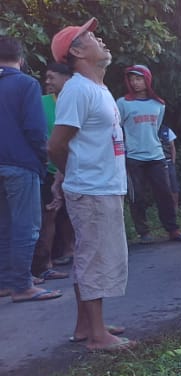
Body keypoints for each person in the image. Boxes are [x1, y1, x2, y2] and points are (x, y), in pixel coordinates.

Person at [47, 17, 135, 351]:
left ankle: (87, 326)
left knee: (92, 254)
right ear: (77, 51)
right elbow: (56, 145)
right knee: (95, 257)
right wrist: (72, 175)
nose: (100, 39)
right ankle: (98, 336)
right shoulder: (78, 90)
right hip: (92, 187)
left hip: (103, 185)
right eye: (92, 36)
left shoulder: (97, 88)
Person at [0, 36, 62, 302]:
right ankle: (23, 286)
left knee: (4, 226)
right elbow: (36, 130)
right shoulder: (25, 83)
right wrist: (41, 160)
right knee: (26, 226)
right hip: (20, 164)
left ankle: (5, 282)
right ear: (21, 59)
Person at [117, 64, 181, 243]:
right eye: (132, 79)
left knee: (165, 194)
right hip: (134, 157)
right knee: (138, 196)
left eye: (139, 78)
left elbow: (156, 128)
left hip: (156, 155)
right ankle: (143, 232)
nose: (135, 83)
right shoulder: (123, 103)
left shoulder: (158, 104)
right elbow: (117, 128)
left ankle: (173, 229)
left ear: (147, 80)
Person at [43, 63, 76, 268]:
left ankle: (71, 250)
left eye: (51, 78)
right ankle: (45, 261)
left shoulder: (75, 99)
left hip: (74, 165)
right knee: (50, 213)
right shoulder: (42, 102)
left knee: (71, 212)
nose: (47, 82)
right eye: (46, 78)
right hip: (50, 166)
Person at [158, 123, 180, 211]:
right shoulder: (150, 129)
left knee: (173, 185)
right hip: (158, 163)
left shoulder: (166, 130)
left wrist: (173, 162)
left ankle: (175, 207)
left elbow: (172, 147)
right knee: (163, 186)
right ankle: (165, 208)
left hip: (169, 161)